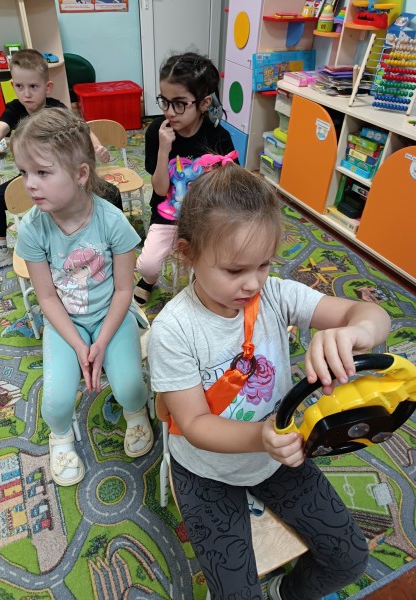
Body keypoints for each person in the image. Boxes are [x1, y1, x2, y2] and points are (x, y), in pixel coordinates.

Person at [148, 163, 391, 600]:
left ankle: (284, 592)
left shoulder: (275, 295)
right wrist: (261, 436)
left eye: (263, 265)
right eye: (234, 270)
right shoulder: (174, 329)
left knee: (350, 558)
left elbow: (372, 314)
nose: (252, 283)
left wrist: (356, 332)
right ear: (188, 253)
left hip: (274, 455)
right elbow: (195, 424)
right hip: (206, 471)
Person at [12, 108, 154, 486]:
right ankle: (60, 436)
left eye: (42, 172)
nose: (30, 184)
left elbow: (124, 290)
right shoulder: (33, 229)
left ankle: (136, 414)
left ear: (80, 174)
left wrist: (102, 342)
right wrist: (78, 345)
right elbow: (46, 298)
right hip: (65, 321)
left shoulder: (112, 221)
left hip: (112, 314)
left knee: (130, 387)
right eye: (24, 172)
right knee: (57, 400)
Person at [0, 48, 121, 273]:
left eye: (33, 86)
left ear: (47, 87)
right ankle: (0, 250)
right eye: (19, 86)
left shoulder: (56, 108)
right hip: (33, 175)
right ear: (13, 85)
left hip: (62, 174)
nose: (26, 93)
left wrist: (96, 146)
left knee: (111, 192)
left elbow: (82, 129)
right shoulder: (15, 109)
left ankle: (114, 239)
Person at [133, 51, 235, 306]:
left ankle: (199, 288)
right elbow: (160, 189)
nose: (170, 111)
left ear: (204, 103)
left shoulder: (218, 137)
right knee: (147, 265)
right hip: (167, 213)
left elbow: (229, 187)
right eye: (164, 101)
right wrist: (164, 150)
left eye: (179, 103)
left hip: (205, 216)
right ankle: (148, 281)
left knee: (212, 265)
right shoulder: (157, 131)